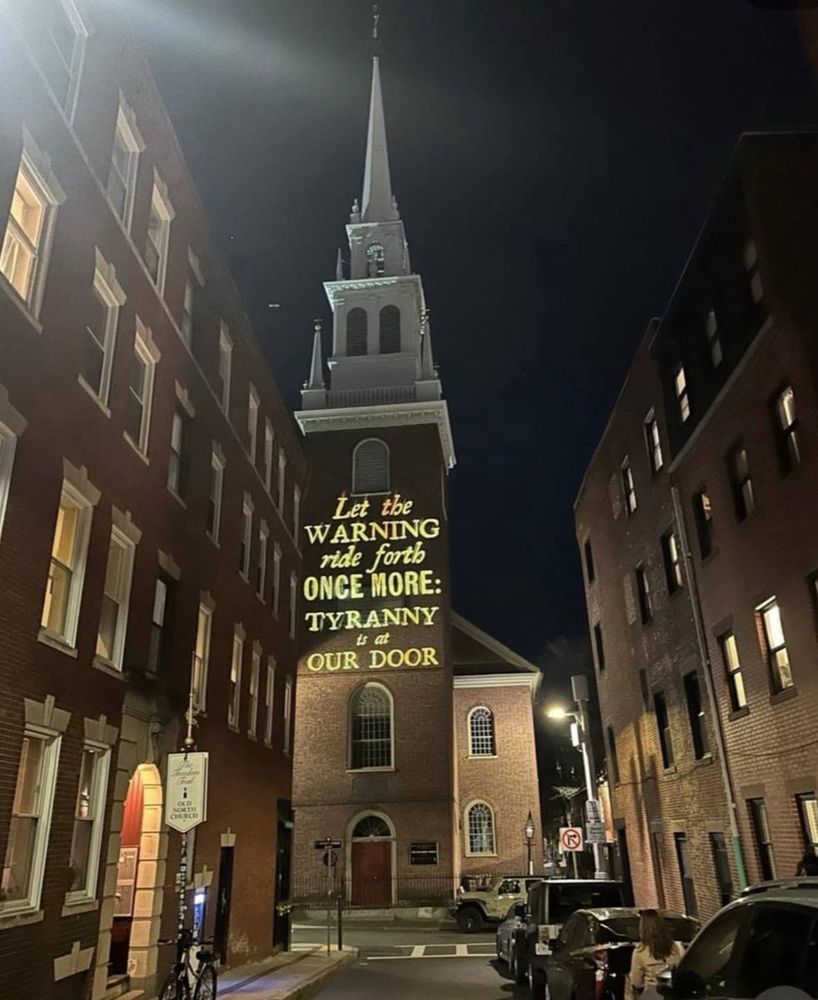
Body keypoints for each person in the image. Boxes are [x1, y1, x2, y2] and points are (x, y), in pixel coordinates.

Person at [625, 909, 685, 1000]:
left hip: (653, 995)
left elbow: (636, 982)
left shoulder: (640, 952)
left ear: (642, 929)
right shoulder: (675, 947)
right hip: (674, 994)